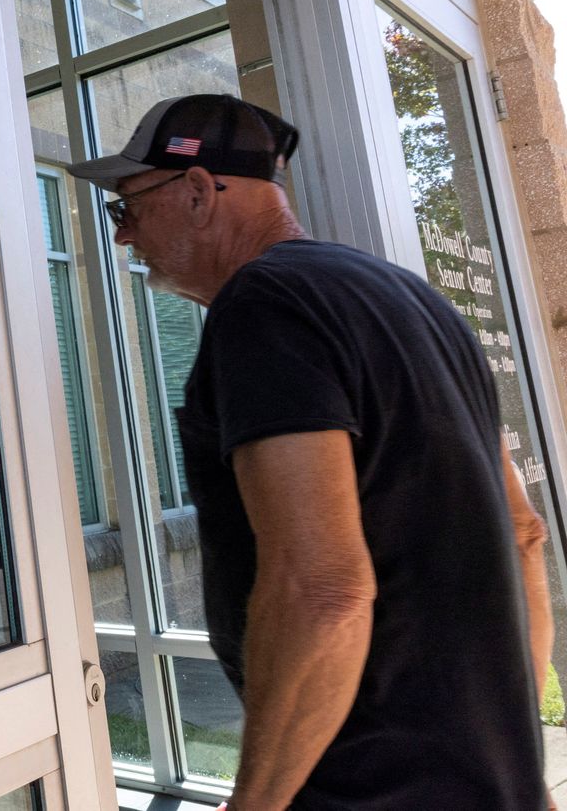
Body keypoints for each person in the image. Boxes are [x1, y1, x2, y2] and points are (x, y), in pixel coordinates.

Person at [68, 93, 553, 809]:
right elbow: (524, 534)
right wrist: (518, 761)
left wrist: (255, 804)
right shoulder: (419, 303)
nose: (123, 237)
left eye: (128, 208)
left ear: (198, 191)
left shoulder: (263, 307)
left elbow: (323, 591)